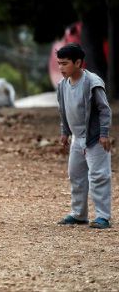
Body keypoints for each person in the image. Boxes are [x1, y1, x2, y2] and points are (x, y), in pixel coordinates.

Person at [56, 43, 112, 229]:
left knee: (99, 176)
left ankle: (103, 216)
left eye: (65, 64)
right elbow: (64, 110)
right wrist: (65, 132)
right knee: (76, 176)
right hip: (76, 140)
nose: (61, 68)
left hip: (94, 138)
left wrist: (104, 134)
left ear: (78, 62)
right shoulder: (62, 85)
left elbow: (104, 110)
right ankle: (79, 214)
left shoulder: (93, 83)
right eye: (59, 64)